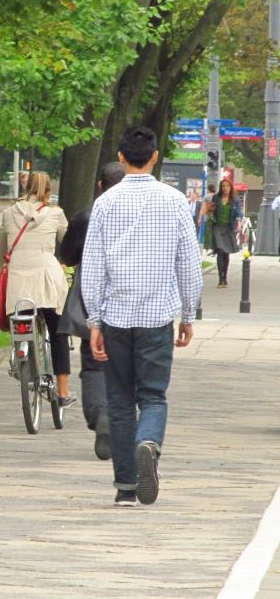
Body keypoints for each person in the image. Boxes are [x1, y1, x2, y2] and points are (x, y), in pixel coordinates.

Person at [81, 126, 202, 507]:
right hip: (156, 314)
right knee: (153, 396)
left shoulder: (105, 203)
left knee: (119, 400)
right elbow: (189, 261)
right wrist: (188, 313)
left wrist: (94, 320)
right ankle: (148, 441)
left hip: (115, 315)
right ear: (155, 156)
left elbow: (92, 266)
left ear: (120, 158)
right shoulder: (174, 200)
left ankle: (126, 487)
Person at [61, 161, 125, 460]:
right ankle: (125, 419)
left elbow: (69, 256)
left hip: (93, 297)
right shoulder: (139, 216)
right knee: (128, 364)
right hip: (131, 300)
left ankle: (100, 414)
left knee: (93, 361)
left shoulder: (85, 217)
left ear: (100, 185)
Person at [0, 171, 75, 407]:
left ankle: (21, 358)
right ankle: (62, 392)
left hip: (18, 281)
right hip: (46, 279)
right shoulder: (55, 213)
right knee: (58, 331)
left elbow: (2, 248)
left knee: (20, 321)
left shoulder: (9, 213)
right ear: (48, 191)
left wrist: (8, 265)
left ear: (25, 186)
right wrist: (67, 262)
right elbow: (68, 244)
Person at [210, 178, 242, 288]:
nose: (225, 188)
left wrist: (238, 221)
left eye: (227, 186)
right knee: (220, 250)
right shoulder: (216, 197)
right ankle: (220, 278)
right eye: (223, 186)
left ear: (230, 187)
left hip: (229, 228)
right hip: (218, 227)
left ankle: (225, 277)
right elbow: (211, 210)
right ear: (220, 187)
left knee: (226, 253)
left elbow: (239, 213)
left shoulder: (235, 200)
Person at [199, 183, 216, 251]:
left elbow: (203, 208)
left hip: (208, 216)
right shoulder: (218, 196)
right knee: (215, 232)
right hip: (216, 217)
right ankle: (214, 246)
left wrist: (200, 218)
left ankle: (207, 247)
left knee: (208, 232)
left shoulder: (206, 197)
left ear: (208, 189)